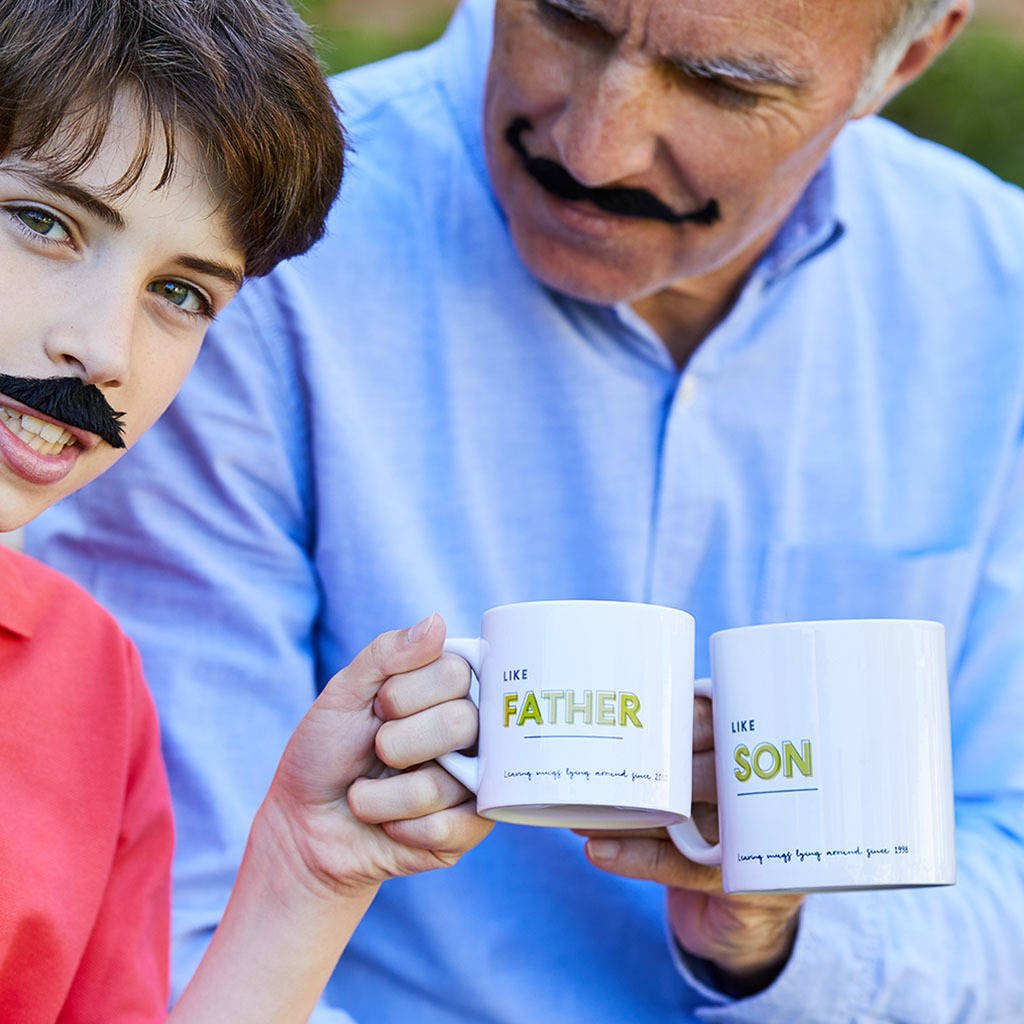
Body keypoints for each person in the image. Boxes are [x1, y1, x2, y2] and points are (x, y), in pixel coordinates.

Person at [28, 0, 1024, 1020]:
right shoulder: (243, 242)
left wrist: (779, 936)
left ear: (914, 55)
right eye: (568, 23)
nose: (595, 146)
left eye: (724, 85)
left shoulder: (995, 298)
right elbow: (181, 913)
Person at [0, 2, 487, 1021]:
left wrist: (305, 877)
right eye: (45, 222)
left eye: (180, 293)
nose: (104, 350)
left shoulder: (88, 680)